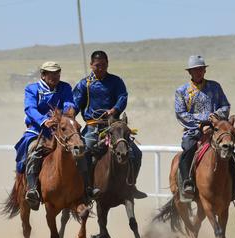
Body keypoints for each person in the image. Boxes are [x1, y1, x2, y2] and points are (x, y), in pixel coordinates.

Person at [73, 50, 146, 199]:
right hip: (93, 127)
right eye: (97, 65)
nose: (101, 68)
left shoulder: (116, 81)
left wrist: (114, 109)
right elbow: (75, 104)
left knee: (136, 153)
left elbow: (122, 97)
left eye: (104, 65)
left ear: (108, 64)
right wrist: (69, 118)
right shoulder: (84, 84)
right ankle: (86, 188)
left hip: (114, 127)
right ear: (91, 65)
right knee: (83, 152)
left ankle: (131, 186)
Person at [174, 55, 235, 200]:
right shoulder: (181, 91)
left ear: (205, 71)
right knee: (188, 151)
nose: (199, 72)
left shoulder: (215, 87)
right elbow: (180, 113)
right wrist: (200, 125)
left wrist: (215, 118)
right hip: (193, 130)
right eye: (195, 70)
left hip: (216, 129)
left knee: (231, 153)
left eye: (201, 69)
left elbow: (225, 105)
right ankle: (187, 184)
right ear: (190, 72)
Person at [14, 61, 75, 210]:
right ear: (43, 74)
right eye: (51, 73)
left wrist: (66, 114)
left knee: (79, 146)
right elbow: (30, 108)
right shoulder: (32, 89)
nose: (55, 77)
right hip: (38, 130)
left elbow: (69, 103)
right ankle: (32, 188)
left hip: (61, 130)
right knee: (33, 149)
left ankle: (85, 188)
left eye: (57, 73)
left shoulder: (65, 87)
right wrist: (44, 120)